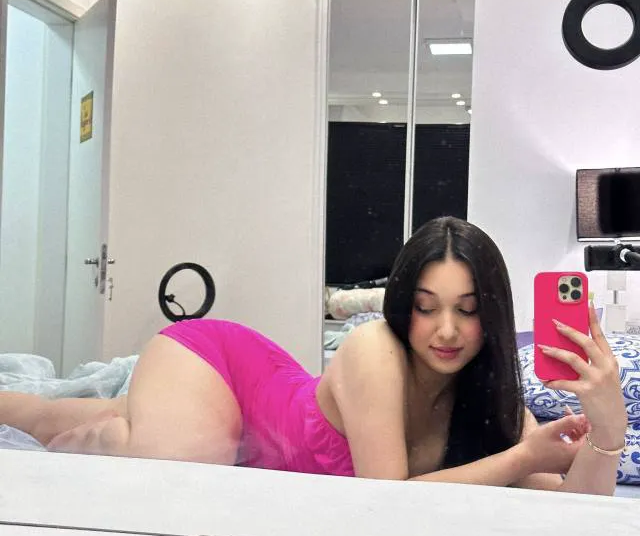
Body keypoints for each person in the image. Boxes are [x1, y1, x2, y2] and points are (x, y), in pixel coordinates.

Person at [0, 217, 627, 494]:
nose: (446, 331)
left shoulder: (491, 398)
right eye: (425, 306)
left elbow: (573, 505)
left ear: (491, 314)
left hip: (254, 414)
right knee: (182, 468)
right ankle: (115, 433)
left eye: (466, 310)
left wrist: (607, 426)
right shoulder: (374, 349)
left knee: (53, 414)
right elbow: (388, 498)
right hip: (224, 371)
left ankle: (90, 412)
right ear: (401, 304)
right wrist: (523, 457)